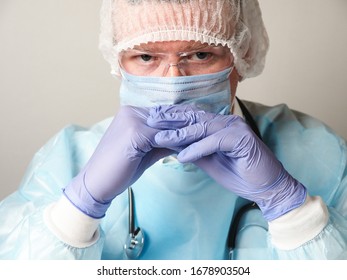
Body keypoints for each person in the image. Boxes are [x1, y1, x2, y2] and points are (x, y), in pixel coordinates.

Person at [0, 0, 346, 260]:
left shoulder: (318, 151)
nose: (173, 84)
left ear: (241, 57)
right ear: (118, 64)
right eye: (147, 58)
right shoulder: (67, 159)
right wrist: (78, 210)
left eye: (199, 54)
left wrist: (291, 207)